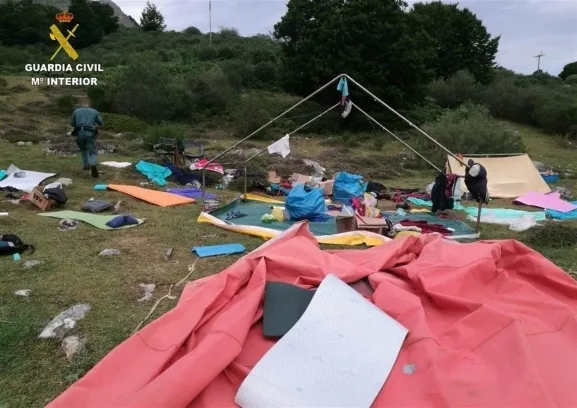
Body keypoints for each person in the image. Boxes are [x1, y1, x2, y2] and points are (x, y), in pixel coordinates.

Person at [69, 96, 104, 177]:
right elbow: (101, 123)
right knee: (92, 151)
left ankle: (86, 165)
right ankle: (93, 164)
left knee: (83, 149)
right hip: (90, 133)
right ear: (89, 103)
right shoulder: (94, 111)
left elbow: (72, 123)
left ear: (81, 103)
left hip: (79, 133)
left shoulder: (76, 111)